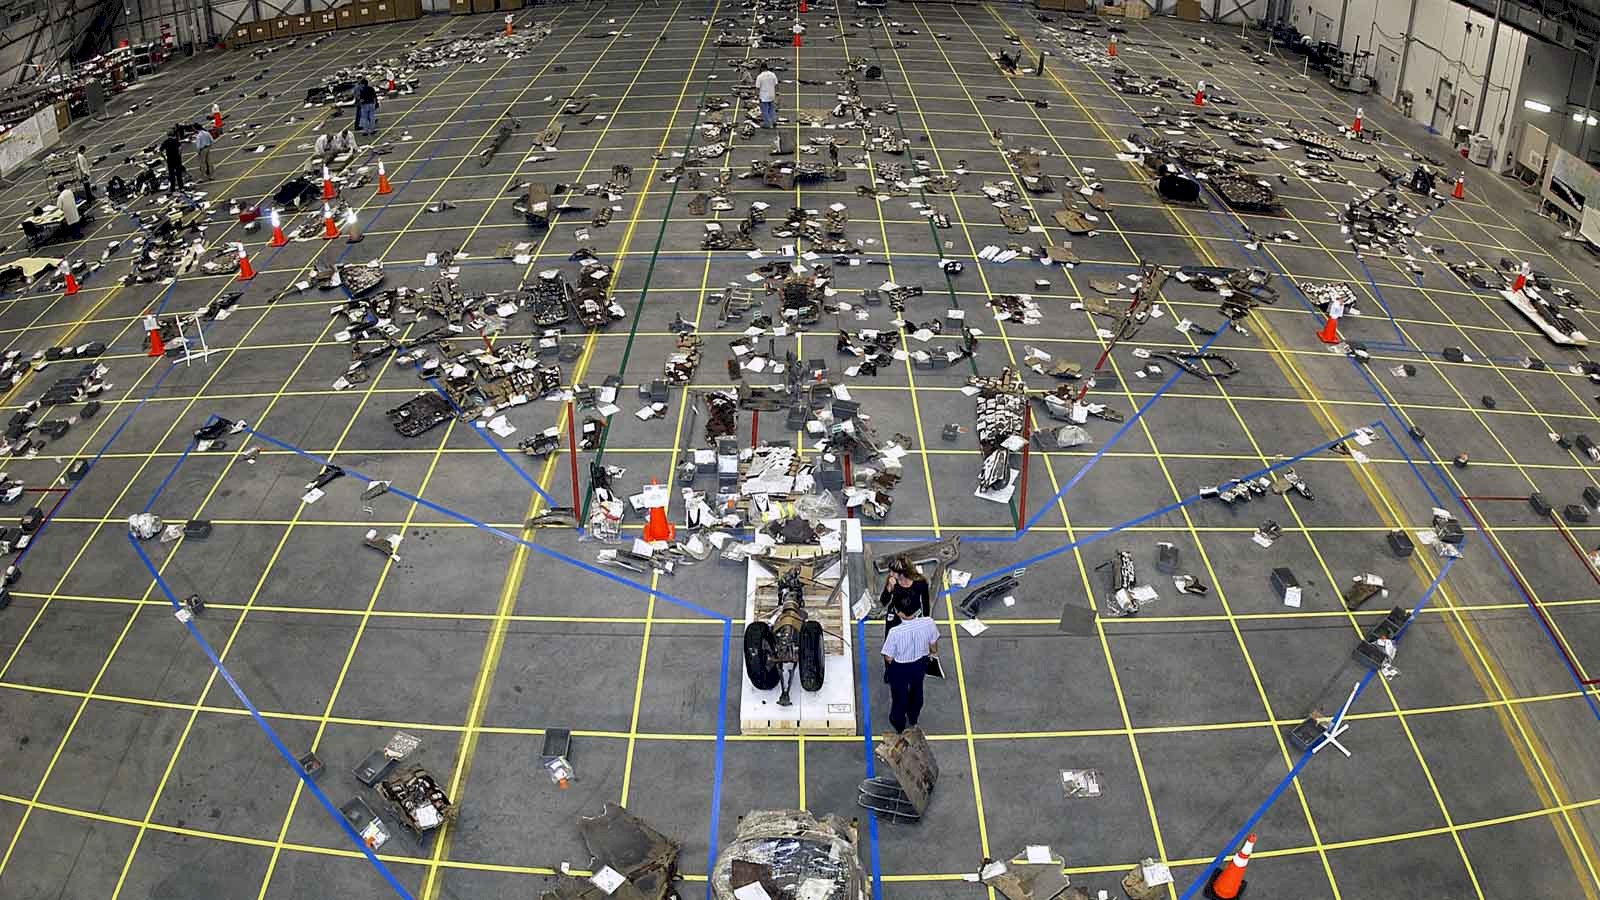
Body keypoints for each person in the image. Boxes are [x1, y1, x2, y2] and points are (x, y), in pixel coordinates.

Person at [881, 593, 938, 733]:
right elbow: (933, 643)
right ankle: (913, 717)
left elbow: (888, 657)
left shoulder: (895, 632)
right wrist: (933, 655)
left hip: (900, 667)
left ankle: (899, 723)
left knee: (899, 696)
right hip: (920, 663)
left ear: (898, 612)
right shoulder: (929, 622)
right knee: (917, 690)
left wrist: (891, 667)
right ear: (917, 610)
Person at [880, 555, 930, 636]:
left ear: (902, 573)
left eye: (893, 572)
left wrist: (926, 621)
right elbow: (883, 601)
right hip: (896, 616)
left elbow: (925, 602)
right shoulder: (892, 580)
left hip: (914, 617)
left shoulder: (920, 582)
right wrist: (889, 588)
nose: (890, 574)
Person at [160, 127, 185, 192]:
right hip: (177, 159)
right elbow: (180, 148)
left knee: (171, 175)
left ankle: (172, 188)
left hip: (170, 160)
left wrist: (164, 157)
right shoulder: (175, 141)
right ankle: (181, 186)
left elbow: (160, 151)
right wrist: (179, 155)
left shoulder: (165, 142)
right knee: (178, 173)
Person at [755, 64, 778, 128]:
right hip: (772, 95)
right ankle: (774, 121)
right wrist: (776, 94)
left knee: (764, 111)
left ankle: (767, 124)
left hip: (763, 97)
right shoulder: (773, 75)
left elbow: (757, 88)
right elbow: (776, 85)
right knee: (771, 110)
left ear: (762, 68)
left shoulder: (760, 77)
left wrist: (756, 96)